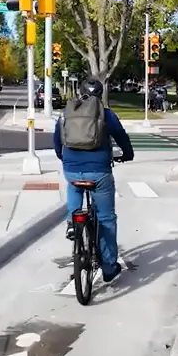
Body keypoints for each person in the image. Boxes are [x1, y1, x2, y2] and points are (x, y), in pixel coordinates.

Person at [53, 76, 134, 283]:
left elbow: (57, 140)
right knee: (106, 218)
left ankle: (72, 222)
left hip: (72, 169)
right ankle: (108, 267)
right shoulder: (107, 115)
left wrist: (64, 157)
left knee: (74, 188)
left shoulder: (65, 114)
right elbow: (122, 137)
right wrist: (127, 154)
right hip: (99, 171)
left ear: (80, 93)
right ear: (101, 95)